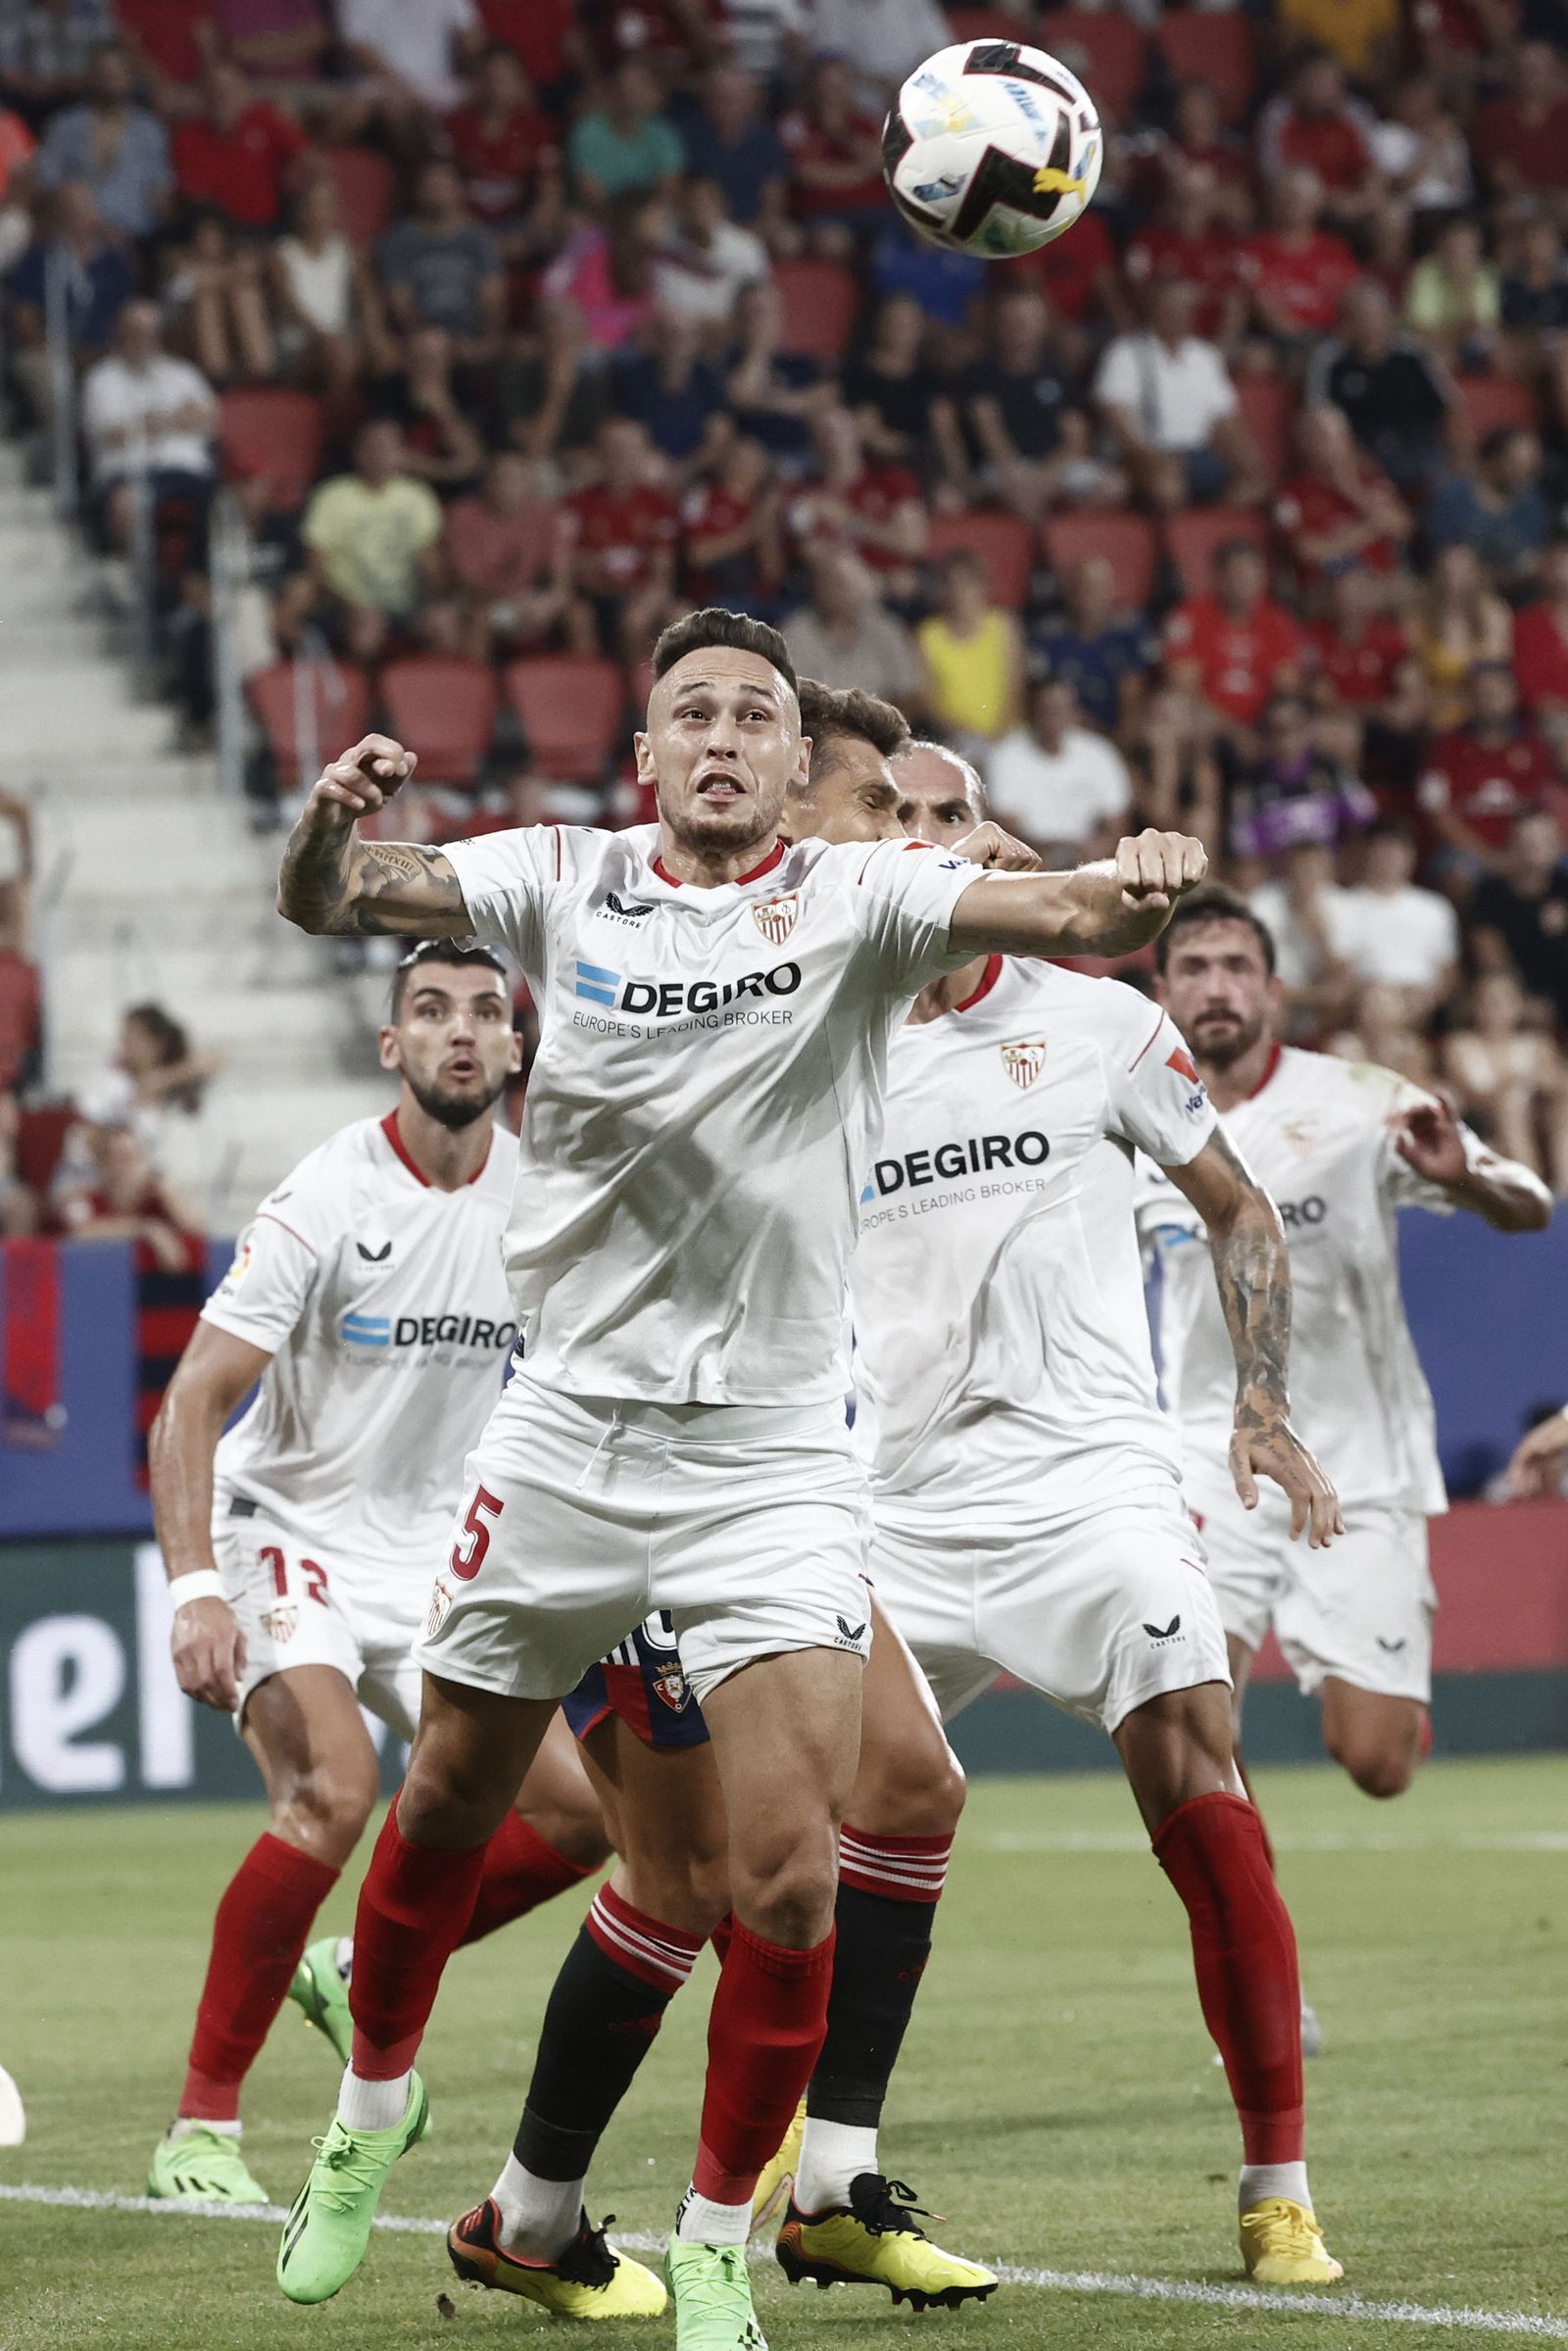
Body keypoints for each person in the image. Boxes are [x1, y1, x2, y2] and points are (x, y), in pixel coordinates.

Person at [267, 606, 1209, 2342]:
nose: (716, 733)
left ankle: (711, 2236)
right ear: (644, 754)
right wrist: (327, 819)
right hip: (566, 1427)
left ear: (791, 766)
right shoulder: (563, 871)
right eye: (685, 708)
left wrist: (1139, 868)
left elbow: (1075, 911)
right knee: (454, 1799)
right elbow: (337, 899)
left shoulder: (860, 897)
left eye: (750, 715)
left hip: (768, 1455)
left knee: (782, 1874)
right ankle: (370, 2114)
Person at [460, 713, 1343, 2305]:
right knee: (722, 1855)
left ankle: (1268, 2183)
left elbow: (1232, 1194)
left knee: (1174, 1749)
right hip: (854, 1494)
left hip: (1085, 1483)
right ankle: (616, 2178)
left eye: (946, 809)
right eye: (891, 805)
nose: (927, 831)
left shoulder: (1099, 1027)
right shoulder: (802, 1017)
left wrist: (1260, 1402)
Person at [144, 943, 611, 2207]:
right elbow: (190, 1403)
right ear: (390, 1047)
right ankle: (200, 2127)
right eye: (429, 1011)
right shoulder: (324, 1194)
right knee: (334, 1790)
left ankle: (356, 1972)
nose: (461, 1032)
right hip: (285, 1526)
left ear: (516, 1050)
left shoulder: (544, 1200)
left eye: (484, 1013)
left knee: (583, 1816)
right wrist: (193, 1588)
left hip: (435, 1553)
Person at [1142, 888, 1550, 1832]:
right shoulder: (1138, 1119)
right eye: (1194, 968)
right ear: (1161, 989)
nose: (1218, 988)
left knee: (1374, 1761)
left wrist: (1469, 1174)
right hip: (1213, 1462)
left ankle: (1392, 1706)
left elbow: (1527, 1201)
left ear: (1274, 990)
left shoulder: (1359, 1101)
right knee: (1187, 1717)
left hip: (1358, 1460)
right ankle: (1264, 1972)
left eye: (1236, 967)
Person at [79, 299, 216, 556]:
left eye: (149, 332)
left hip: (183, 468)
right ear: (121, 333)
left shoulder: (182, 374)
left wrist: (151, 423)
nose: (143, 339)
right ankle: (130, 578)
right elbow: (110, 435)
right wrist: (174, 420)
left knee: (218, 496)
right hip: (125, 470)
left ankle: (196, 579)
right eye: (135, 331)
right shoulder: (101, 379)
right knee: (126, 503)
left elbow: (206, 419)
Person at [984, 675, 1133, 862]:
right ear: (1031, 712)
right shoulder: (1006, 755)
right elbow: (1005, 829)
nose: (1056, 716)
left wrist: (1087, 858)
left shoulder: (1100, 753)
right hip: (1031, 864)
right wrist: (1052, 853)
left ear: (1076, 711)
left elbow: (1117, 826)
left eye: (1063, 708)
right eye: (1048, 709)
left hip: (1090, 862)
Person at [914, 548, 1023, 749]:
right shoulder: (928, 635)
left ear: (983, 587)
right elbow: (929, 701)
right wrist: (965, 734)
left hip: (1006, 734)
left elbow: (1014, 689)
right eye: (953, 585)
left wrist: (999, 734)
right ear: (942, 590)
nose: (960, 593)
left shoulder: (1004, 626)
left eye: (968, 584)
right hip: (956, 739)